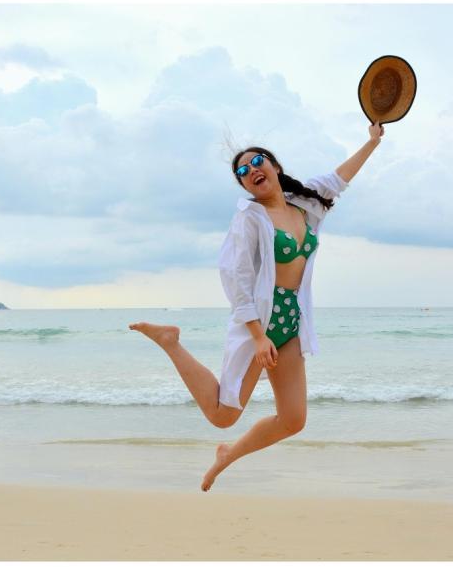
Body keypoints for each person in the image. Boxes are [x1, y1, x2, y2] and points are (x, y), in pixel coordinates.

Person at [129, 121, 384, 491]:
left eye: (257, 162)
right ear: (245, 186)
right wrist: (258, 336)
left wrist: (371, 142)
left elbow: (339, 178)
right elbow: (237, 279)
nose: (251, 171)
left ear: (275, 167)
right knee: (222, 414)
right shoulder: (250, 218)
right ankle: (170, 341)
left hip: (291, 323)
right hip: (260, 325)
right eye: (243, 172)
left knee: (294, 419)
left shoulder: (306, 204)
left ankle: (227, 456)